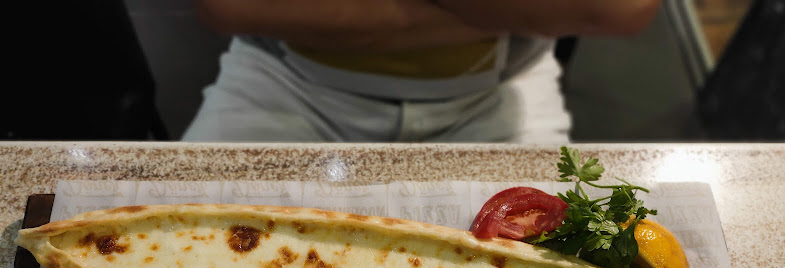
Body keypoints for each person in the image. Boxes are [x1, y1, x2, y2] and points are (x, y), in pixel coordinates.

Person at [183, 0, 660, 144]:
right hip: (285, 83)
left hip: (498, 92)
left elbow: (620, 9)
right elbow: (231, 6)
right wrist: (520, 11)